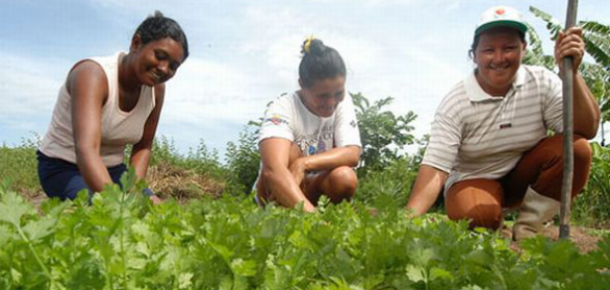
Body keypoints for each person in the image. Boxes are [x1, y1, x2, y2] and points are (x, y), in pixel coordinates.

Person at [406, 6, 600, 240]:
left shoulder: (541, 82)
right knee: (479, 218)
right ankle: (491, 220)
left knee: (576, 148)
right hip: (473, 180)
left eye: (509, 48)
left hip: (522, 178)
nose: (499, 58)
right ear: (474, 55)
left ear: (523, 49)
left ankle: (529, 228)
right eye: (489, 50)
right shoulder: (456, 103)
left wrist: (572, 73)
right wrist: (407, 220)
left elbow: (585, 129)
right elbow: (436, 168)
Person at [37, 11, 189, 204]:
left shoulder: (156, 90)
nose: (164, 69)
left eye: (173, 66)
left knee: (157, 210)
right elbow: (87, 149)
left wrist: (134, 193)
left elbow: (143, 147)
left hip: (115, 171)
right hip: (64, 167)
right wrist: (118, 204)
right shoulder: (92, 74)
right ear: (136, 43)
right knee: (101, 211)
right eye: (159, 56)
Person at [254, 37, 362, 212]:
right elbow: (272, 171)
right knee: (291, 151)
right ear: (302, 85)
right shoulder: (283, 107)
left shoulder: (343, 102)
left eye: (338, 93)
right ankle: (288, 211)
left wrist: (303, 164)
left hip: (312, 184)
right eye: (323, 96)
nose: (332, 102)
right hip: (276, 190)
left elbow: (352, 153)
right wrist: (314, 224)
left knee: (345, 177)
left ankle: (321, 212)